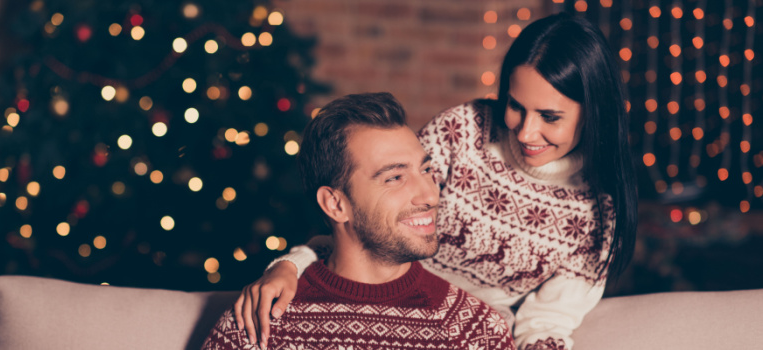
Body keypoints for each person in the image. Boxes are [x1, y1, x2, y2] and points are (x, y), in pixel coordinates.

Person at [235, 13, 637, 350]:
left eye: (550, 117)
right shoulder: (464, 129)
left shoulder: (598, 213)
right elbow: (368, 222)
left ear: (593, 113)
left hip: (469, 333)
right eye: (515, 106)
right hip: (391, 299)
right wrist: (292, 263)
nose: (526, 132)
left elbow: (547, 321)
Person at [203, 92, 516, 350]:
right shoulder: (259, 321)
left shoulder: (475, 332)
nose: (430, 195)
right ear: (336, 204)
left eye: (427, 171)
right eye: (395, 177)